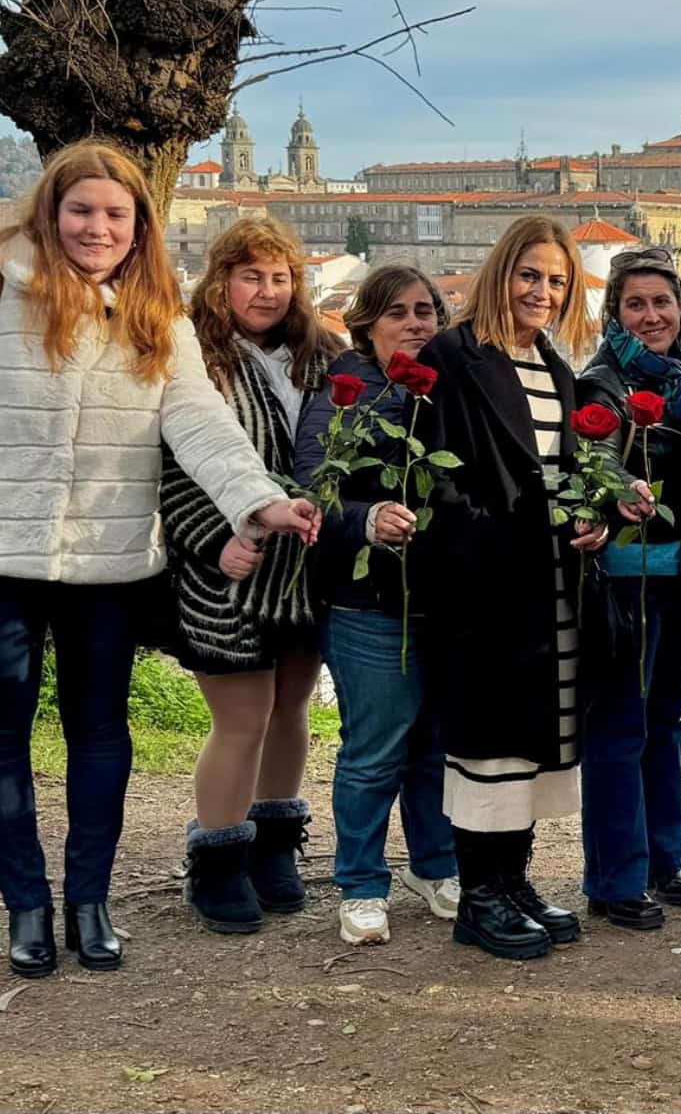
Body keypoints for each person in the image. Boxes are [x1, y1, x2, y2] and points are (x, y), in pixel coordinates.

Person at [0, 141, 317, 978]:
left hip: (109, 562)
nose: (96, 228)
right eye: (81, 211)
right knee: (4, 740)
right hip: (6, 555)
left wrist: (259, 501)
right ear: (50, 213)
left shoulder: (156, 316)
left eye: (115, 214)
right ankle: (26, 905)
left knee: (100, 737)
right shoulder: (4, 293)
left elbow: (204, 425)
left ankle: (89, 900)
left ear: (139, 224)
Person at [413, 216, 638, 961]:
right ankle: (479, 895)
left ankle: (513, 880)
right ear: (501, 272)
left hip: (552, 585)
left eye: (558, 280)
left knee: (540, 738)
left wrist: (597, 520)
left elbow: (571, 476)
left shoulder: (555, 368)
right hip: (486, 583)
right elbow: (436, 480)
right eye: (530, 275)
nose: (543, 292)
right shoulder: (453, 356)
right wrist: (497, 535)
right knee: (491, 742)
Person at [161, 217, 342, 934]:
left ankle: (273, 846)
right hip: (230, 567)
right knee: (240, 717)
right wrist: (213, 540)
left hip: (305, 567)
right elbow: (167, 468)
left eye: (280, 277)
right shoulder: (190, 356)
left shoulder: (321, 355)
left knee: (291, 705)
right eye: (250, 276)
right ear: (221, 280)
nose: (267, 292)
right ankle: (218, 856)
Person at [293, 262, 461, 947]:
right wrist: (364, 519)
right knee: (375, 748)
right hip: (366, 599)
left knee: (435, 745)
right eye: (399, 313)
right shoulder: (345, 392)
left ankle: (436, 865)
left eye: (426, 312)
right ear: (366, 324)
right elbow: (313, 483)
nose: (416, 324)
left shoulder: (454, 389)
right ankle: (361, 882)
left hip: (443, 596)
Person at [574, 247, 681, 929]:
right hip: (621, 580)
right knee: (621, 726)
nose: (652, 315)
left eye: (662, 302)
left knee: (665, 720)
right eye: (637, 304)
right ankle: (613, 876)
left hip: (677, 573)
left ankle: (665, 858)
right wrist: (615, 487)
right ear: (616, 313)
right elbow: (591, 454)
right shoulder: (602, 382)